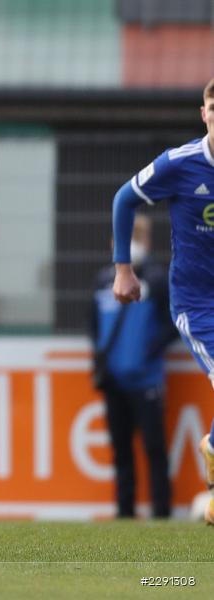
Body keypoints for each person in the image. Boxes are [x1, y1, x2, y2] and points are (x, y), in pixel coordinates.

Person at [112, 77, 214, 523]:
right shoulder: (180, 163)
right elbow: (124, 199)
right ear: (204, 113)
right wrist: (123, 268)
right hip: (198, 302)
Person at [90, 215, 174, 518]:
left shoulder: (158, 279)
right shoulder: (102, 281)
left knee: (154, 448)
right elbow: (94, 327)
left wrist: (151, 350)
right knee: (121, 449)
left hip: (146, 378)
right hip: (114, 379)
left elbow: (172, 323)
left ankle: (161, 512)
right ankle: (124, 511)